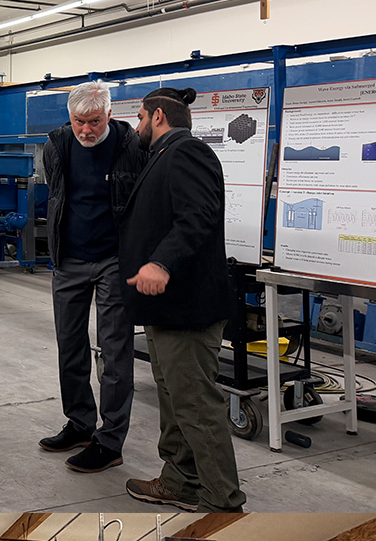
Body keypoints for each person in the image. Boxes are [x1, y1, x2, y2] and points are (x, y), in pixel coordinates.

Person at [118, 86, 246, 513]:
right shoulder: (163, 155)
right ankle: (180, 480)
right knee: (175, 400)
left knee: (194, 404)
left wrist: (163, 263)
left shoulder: (188, 153)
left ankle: (222, 500)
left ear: (157, 117)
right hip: (166, 309)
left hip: (187, 306)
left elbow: (199, 216)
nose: (136, 126)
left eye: (139, 117)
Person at [40, 80, 146, 473]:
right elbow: (58, 194)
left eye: (94, 122)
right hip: (68, 258)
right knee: (69, 345)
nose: (86, 130)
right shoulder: (58, 145)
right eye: (79, 121)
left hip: (114, 259)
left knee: (115, 350)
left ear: (109, 115)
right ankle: (80, 423)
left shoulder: (131, 146)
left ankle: (110, 439)